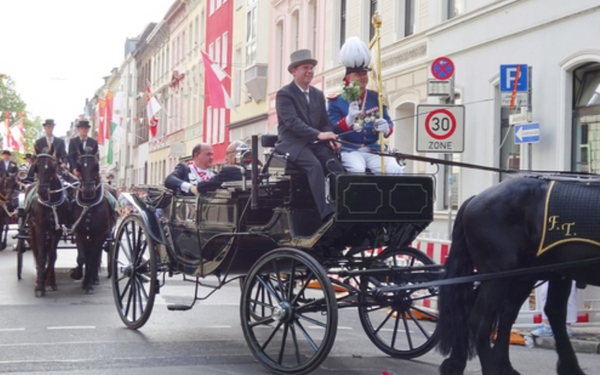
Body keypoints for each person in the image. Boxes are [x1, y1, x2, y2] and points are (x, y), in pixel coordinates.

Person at [275, 49, 345, 223]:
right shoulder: (285, 94)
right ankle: (326, 213)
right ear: (294, 71)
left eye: (312, 68)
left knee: (334, 164)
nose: (310, 71)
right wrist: (320, 134)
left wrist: (331, 138)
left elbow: (325, 121)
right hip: (292, 143)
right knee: (314, 166)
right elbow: (293, 122)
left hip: (313, 142)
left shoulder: (317, 94)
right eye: (305, 68)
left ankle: (345, 206)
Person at [328, 37, 404, 174]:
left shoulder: (376, 97)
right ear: (348, 77)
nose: (363, 77)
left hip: (374, 148)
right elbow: (332, 129)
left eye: (365, 74)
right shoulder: (336, 100)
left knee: (395, 170)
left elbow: (388, 122)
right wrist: (348, 120)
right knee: (357, 170)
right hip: (350, 149)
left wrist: (386, 129)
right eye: (359, 74)